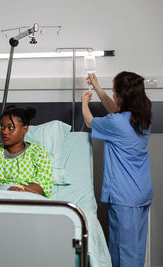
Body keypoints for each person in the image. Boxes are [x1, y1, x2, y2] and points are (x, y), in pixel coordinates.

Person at [82, 72, 153, 267]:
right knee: (136, 250)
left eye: (114, 92)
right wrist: (97, 88)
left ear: (122, 96)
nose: (112, 95)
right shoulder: (143, 116)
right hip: (141, 193)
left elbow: (89, 122)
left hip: (124, 197)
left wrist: (84, 104)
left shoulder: (116, 123)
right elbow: (116, 111)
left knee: (123, 254)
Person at [0, 106, 54, 198]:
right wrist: (1, 191)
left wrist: (20, 190)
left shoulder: (37, 153)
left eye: (10, 128)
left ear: (24, 129)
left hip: (26, 197)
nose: (4, 132)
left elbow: (43, 186)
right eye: (2, 127)